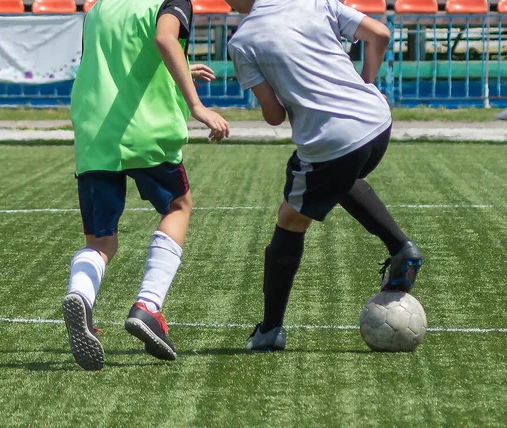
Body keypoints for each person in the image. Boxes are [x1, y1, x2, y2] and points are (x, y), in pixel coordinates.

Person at [225, 0, 423, 351]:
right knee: (336, 179)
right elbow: (379, 34)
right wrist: (367, 83)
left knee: (290, 221)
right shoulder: (315, 2)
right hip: (377, 122)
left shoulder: (242, 41)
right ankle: (401, 249)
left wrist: (292, 89)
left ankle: (270, 330)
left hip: (331, 140)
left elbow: (273, 116)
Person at [63, 0, 230, 370]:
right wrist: (197, 106)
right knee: (178, 207)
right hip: (145, 131)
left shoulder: (99, 7)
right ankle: (148, 306)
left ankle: (80, 295)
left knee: (101, 241)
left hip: (95, 135)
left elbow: (120, 59)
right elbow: (164, 39)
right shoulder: (169, 2)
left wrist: (184, 67)